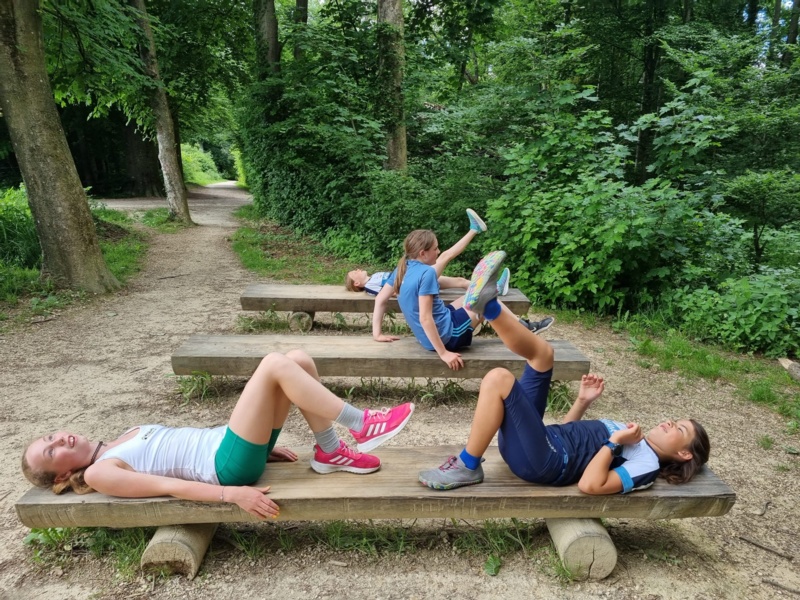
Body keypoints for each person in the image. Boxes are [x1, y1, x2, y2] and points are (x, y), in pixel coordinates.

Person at [418, 251, 710, 494]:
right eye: (676, 421)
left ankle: (468, 465)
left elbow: (590, 484)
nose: (670, 423)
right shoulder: (636, 439)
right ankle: (489, 304)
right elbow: (570, 436)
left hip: (544, 461)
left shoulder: (647, 464)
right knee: (544, 355)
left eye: (680, 429)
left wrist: (615, 442)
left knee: (499, 378)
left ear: (684, 454)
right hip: (541, 443)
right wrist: (582, 402)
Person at [21, 351, 415, 520]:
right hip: (225, 469)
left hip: (232, 446)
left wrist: (262, 448)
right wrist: (232, 495)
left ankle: (330, 451)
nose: (59, 440)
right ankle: (362, 424)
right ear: (61, 476)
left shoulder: (121, 437)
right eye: (50, 452)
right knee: (274, 363)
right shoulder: (98, 472)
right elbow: (168, 486)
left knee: (296, 359)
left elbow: (184, 445)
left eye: (50, 437)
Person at [372, 238, 554, 370]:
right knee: (485, 301)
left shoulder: (402, 269)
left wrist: (377, 334)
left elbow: (380, 299)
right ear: (422, 253)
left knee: (472, 296)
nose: (438, 251)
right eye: (435, 248)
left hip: (432, 332)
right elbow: (425, 318)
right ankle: (523, 329)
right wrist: (444, 354)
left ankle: (520, 322)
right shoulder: (427, 273)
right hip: (448, 335)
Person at [345, 209, 504, 296]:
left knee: (460, 281)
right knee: (445, 256)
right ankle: (474, 230)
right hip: (415, 283)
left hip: (415, 278)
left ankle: (495, 289)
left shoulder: (374, 276)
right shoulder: (370, 285)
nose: (357, 269)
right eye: (354, 273)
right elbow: (387, 293)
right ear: (357, 283)